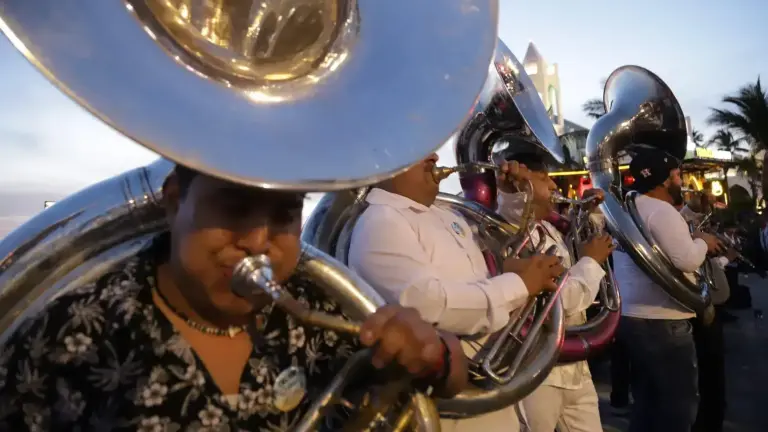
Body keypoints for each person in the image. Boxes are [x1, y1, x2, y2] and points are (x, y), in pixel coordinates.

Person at [0, 164, 469, 431]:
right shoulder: (70, 334)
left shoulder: (317, 306)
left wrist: (435, 355)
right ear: (174, 200)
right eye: (234, 206)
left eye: (285, 214)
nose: (259, 240)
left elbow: (448, 377)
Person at [347, 152, 566, 432]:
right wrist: (520, 285)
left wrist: (512, 197)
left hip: (496, 395)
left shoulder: (445, 213)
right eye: (417, 148)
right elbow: (425, 305)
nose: (435, 155)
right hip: (455, 414)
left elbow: (499, 248)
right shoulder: (381, 221)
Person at [495, 154, 613, 432]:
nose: (554, 186)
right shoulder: (509, 232)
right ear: (524, 182)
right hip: (538, 372)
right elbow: (561, 301)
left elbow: (579, 249)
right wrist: (591, 262)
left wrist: (591, 215)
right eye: (544, 177)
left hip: (575, 369)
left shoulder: (547, 228)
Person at [611, 150, 724, 432]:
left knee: (647, 402)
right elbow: (686, 259)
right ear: (662, 181)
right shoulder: (662, 211)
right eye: (676, 176)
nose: (681, 181)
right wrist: (703, 243)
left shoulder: (628, 208)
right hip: (664, 320)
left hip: (633, 316)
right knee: (677, 405)